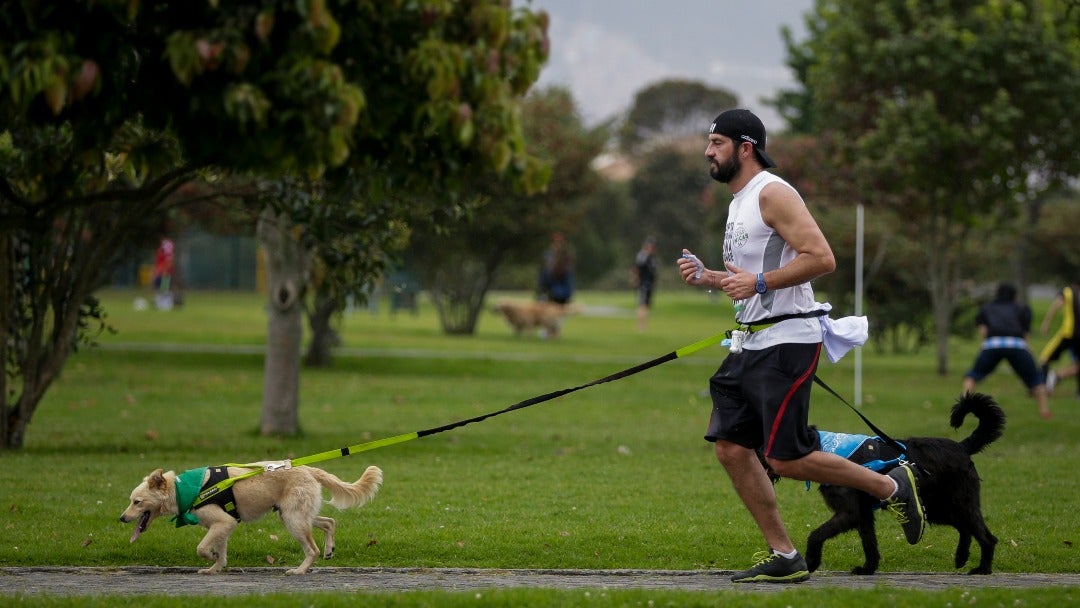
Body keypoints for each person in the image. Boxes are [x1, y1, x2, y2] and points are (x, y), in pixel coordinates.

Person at [676, 108, 925, 584]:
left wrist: (763, 282)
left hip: (787, 343)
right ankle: (786, 555)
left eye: (716, 143)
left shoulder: (773, 193)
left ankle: (888, 484)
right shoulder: (739, 201)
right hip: (749, 344)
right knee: (730, 447)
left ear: (744, 148)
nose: (708, 152)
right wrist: (711, 277)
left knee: (785, 458)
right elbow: (749, 278)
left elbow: (822, 258)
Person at [961, 283, 1051, 419]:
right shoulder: (1022, 309)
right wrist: (1027, 348)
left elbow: (983, 331)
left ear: (997, 294)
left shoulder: (987, 308)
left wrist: (986, 344)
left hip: (993, 344)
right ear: (1015, 296)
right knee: (1036, 380)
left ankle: (963, 408)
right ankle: (1044, 412)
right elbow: (1025, 333)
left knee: (972, 376)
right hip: (1017, 345)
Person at [1038, 281, 1080, 399]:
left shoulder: (1068, 291)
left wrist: (1046, 322)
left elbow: (1057, 304)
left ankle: (1043, 387)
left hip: (1068, 333)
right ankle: (1078, 393)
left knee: (1045, 359)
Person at [537, 232, 574, 304]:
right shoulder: (548, 255)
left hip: (561, 285)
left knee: (568, 273)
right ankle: (543, 294)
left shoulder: (566, 255)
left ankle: (566, 297)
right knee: (546, 272)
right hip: (551, 283)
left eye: (559, 242)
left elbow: (567, 272)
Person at [632, 236, 658, 331]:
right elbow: (636, 269)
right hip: (644, 285)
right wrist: (635, 280)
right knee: (642, 304)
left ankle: (643, 325)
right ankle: (640, 325)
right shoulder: (642, 256)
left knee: (646, 305)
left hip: (649, 285)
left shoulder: (652, 258)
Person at [152, 237, 175, 310]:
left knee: (164, 288)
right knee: (158, 287)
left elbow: (169, 261)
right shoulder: (161, 248)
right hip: (160, 271)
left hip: (165, 272)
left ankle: (167, 305)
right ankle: (160, 305)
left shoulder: (167, 245)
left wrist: (164, 271)